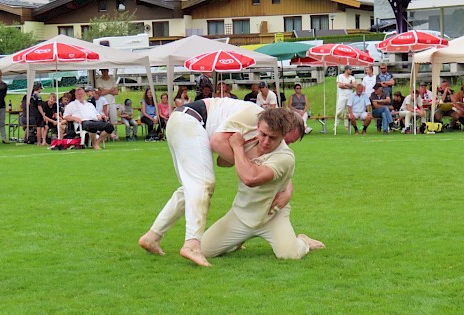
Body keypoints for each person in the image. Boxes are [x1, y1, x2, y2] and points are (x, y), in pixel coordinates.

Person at [138, 98, 304, 267]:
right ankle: (192, 244)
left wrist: (286, 188)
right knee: (203, 184)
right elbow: (217, 142)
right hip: (190, 120)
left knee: (191, 188)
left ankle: (152, 236)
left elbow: (279, 170)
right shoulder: (252, 116)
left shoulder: (265, 137)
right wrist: (245, 164)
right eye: (288, 140)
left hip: (182, 120)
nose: (286, 144)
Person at [200, 108, 324, 260]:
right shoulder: (249, 141)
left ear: (283, 136)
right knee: (204, 250)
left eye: (273, 138)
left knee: (289, 255)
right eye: (263, 134)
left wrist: (238, 147)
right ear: (258, 126)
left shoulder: (285, 157)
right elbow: (222, 162)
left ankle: (304, 242)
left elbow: (250, 179)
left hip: (272, 216)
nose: (265, 141)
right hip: (241, 214)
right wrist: (238, 148)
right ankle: (236, 241)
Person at [95, 68, 119, 136]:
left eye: (104, 71)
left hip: (112, 102)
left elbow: (116, 92)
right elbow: (101, 92)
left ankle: (114, 134)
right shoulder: (99, 80)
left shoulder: (112, 79)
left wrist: (106, 91)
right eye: (102, 71)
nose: (103, 72)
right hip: (103, 103)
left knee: (114, 119)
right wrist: (111, 90)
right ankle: (104, 134)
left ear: (107, 71)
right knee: (104, 119)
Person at [335, 65, 356, 131]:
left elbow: (354, 85)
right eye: (350, 69)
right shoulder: (340, 76)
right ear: (346, 70)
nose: (351, 71)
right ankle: (336, 125)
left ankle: (346, 126)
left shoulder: (352, 77)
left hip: (350, 96)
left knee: (348, 111)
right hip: (342, 95)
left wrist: (345, 84)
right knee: (339, 110)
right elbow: (340, 85)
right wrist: (348, 85)